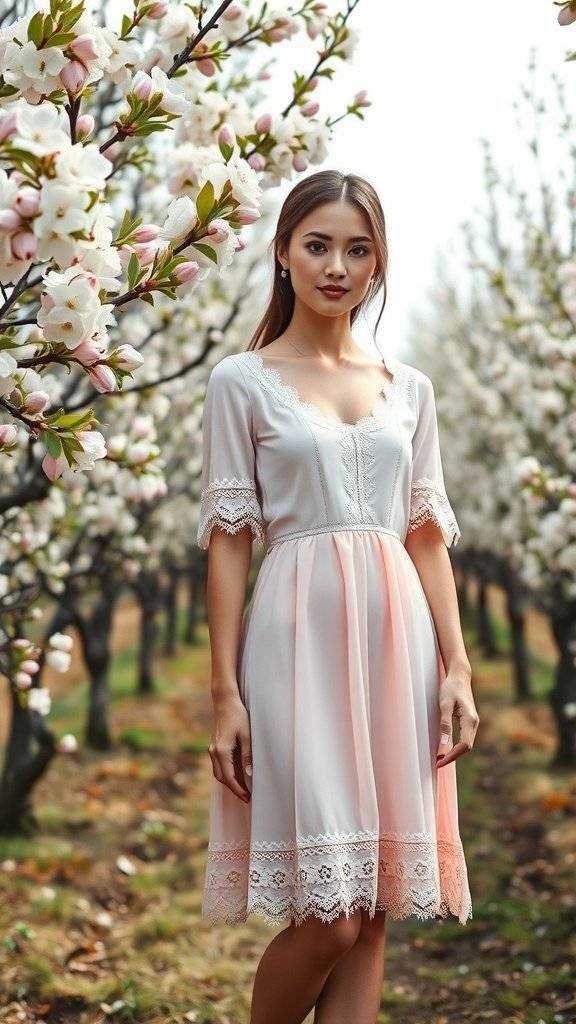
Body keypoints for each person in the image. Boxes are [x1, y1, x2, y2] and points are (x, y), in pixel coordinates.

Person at [196, 169, 479, 1024]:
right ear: (282, 253)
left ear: (378, 265)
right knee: (330, 918)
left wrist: (458, 667)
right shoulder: (239, 381)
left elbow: (425, 534)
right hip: (296, 639)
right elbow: (229, 537)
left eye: (358, 250)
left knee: (376, 906)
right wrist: (223, 691)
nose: (336, 266)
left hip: (400, 642)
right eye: (317, 245)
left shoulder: (411, 388)